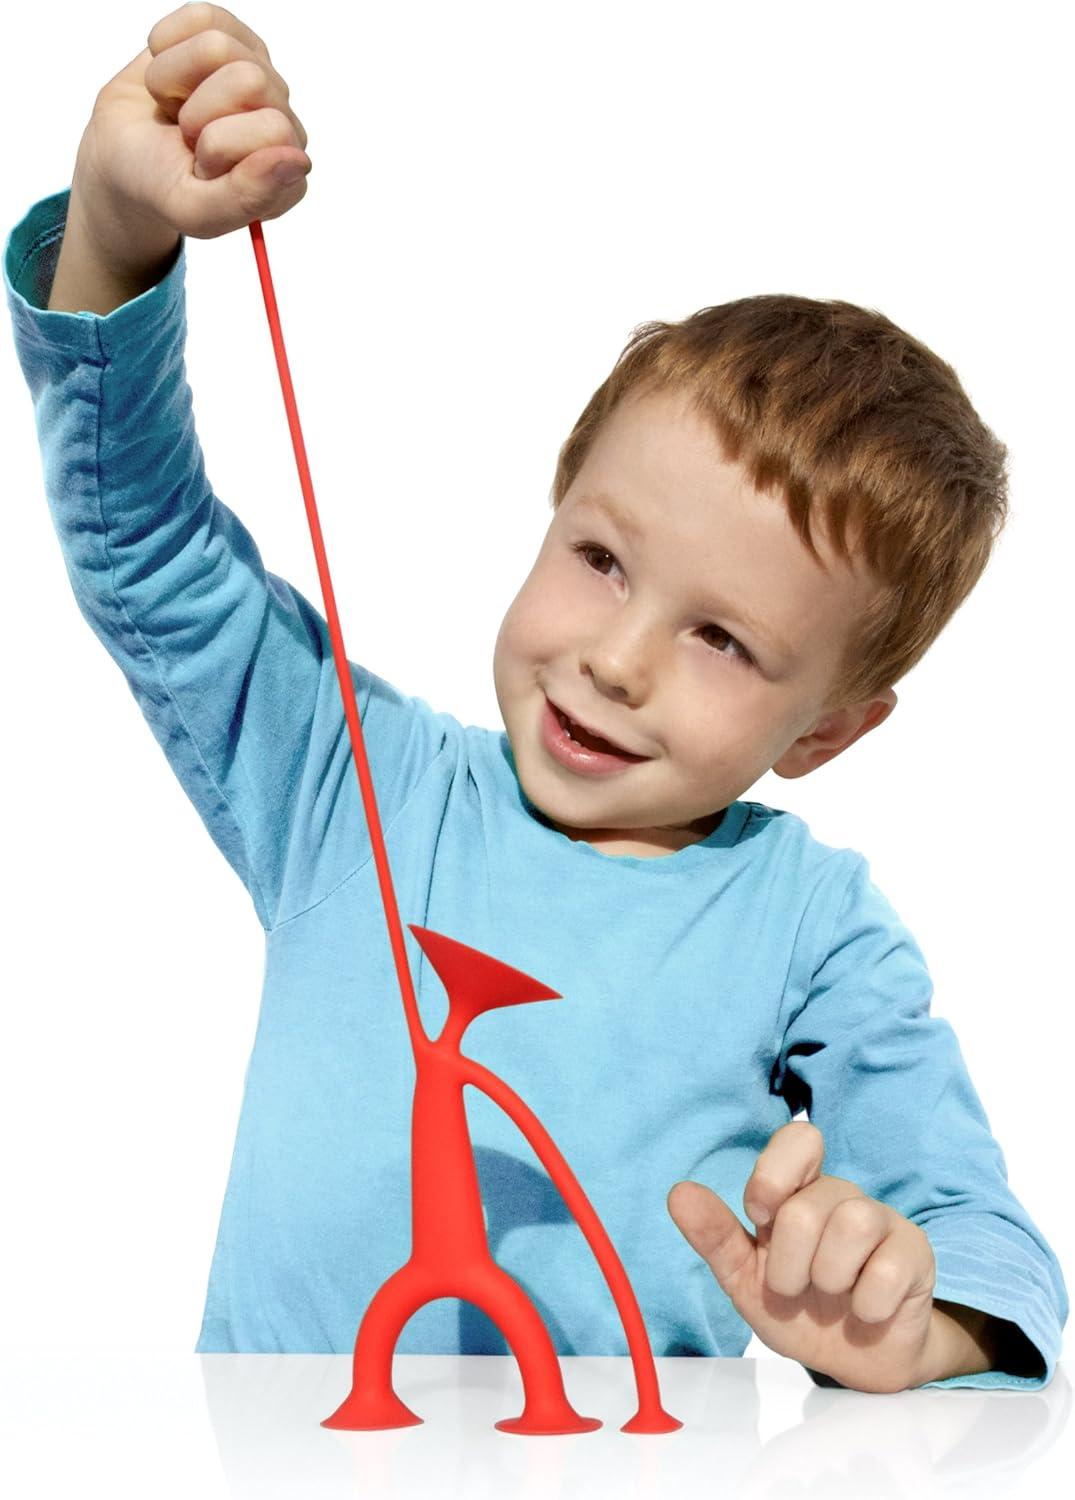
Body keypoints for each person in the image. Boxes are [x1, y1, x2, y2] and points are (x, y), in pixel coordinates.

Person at [5, 3, 1066, 1394]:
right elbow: (146, 549)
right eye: (601, 559)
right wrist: (116, 234)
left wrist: (910, 1324)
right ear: (555, 508)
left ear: (825, 730)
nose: (617, 660)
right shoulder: (357, 783)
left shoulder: (814, 928)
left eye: (722, 640)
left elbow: (984, 1241)